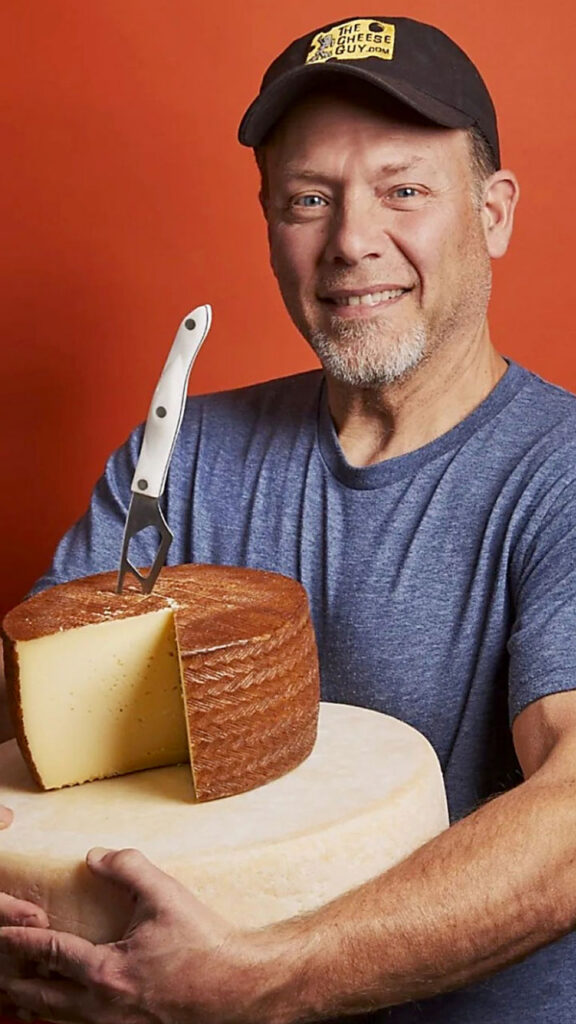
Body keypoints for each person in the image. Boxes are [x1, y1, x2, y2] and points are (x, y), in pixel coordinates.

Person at [1, 13, 576, 1023]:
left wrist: (259, 978)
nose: (353, 241)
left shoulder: (559, 470)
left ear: (493, 213)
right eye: (310, 199)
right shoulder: (177, 457)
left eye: (405, 190)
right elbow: (33, 740)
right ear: (269, 222)